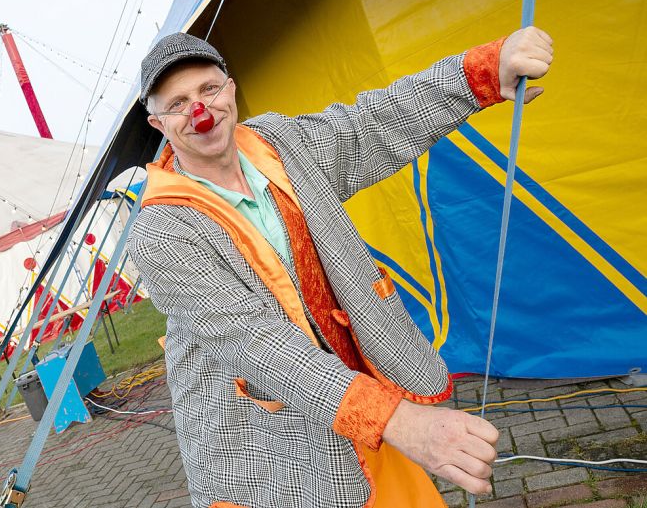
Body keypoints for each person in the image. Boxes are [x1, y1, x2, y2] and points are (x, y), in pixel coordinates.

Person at [126, 28, 553, 508]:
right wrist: (401, 423)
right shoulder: (160, 233)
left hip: (364, 400)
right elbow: (258, 345)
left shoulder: (281, 143)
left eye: (208, 89)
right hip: (269, 441)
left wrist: (481, 73)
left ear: (230, 87)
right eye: (178, 103)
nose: (200, 110)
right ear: (158, 123)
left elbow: (374, 126)